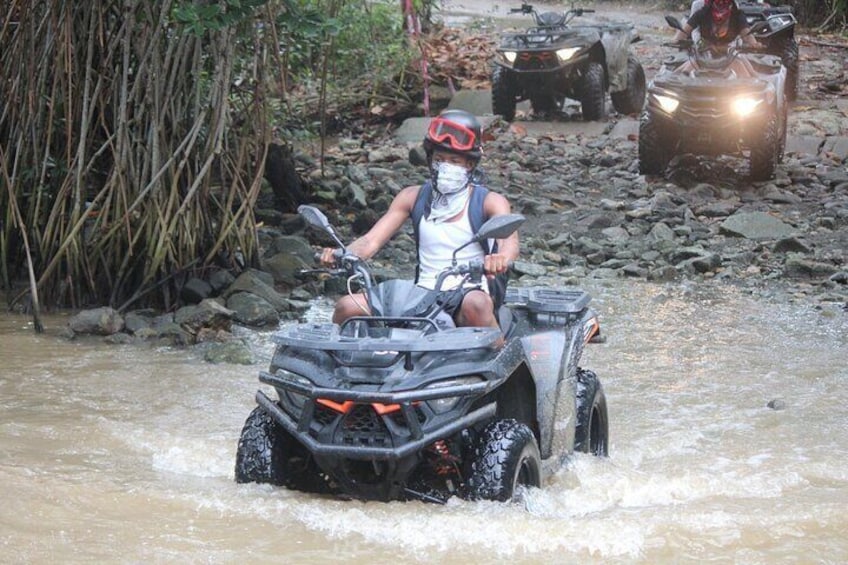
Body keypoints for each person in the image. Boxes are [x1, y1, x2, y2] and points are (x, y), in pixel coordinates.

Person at [320, 109, 519, 344]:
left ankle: (503, 359)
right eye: (439, 159)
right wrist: (341, 254)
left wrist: (499, 259)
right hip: (420, 293)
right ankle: (340, 366)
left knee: (478, 305)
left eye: (454, 161)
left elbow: (509, 240)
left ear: (470, 164)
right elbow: (371, 241)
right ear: (429, 160)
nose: (446, 166)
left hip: (468, 291)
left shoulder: (490, 201)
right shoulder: (411, 197)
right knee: (346, 307)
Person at [675, 0, 760, 49]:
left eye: (725, 2)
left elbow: (747, 34)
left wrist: (755, 44)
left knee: (749, 73)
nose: (722, 3)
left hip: (730, 55)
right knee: (682, 71)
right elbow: (685, 31)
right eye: (718, 2)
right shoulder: (702, 12)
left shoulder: (737, 14)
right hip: (703, 54)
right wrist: (675, 41)